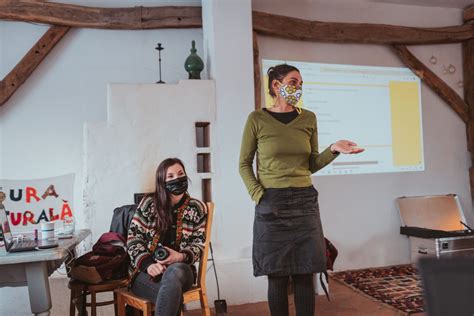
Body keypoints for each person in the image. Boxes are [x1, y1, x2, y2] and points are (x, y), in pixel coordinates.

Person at [239, 64, 364, 316]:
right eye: (294, 82)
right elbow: (244, 164)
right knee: (277, 276)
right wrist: (259, 195)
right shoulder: (257, 119)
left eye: (301, 84)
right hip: (271, 203)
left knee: (305, 273)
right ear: (276, 85)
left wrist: (334, 149)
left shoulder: (309, 118)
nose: (299, 88)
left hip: (305, 202)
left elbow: (311, 164)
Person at [127, 158, 207, 316]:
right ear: (162, 181)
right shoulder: (149, 203)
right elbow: (133, 239)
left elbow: (199, 245)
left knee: (174, 274)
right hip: (145, 274)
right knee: (170, 295)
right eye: (170, 176)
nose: (177, 179)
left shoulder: (197, 208)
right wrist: (148, 264)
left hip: (182, 271)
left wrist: (180, 256)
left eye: (180, 174)